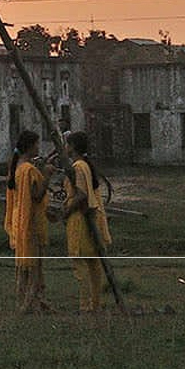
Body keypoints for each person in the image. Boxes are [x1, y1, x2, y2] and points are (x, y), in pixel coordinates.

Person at [4, 130, 54, 314]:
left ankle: (35, 303)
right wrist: (47, 176)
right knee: (34, 266)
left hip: (19, 219)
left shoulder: (17, 166)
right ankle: (28, 305)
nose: (38, 148)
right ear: (30, 146)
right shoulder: (28, 170)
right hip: (30, 222)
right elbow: (36, 196)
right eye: (36, 144)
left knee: (24, 265)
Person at [63, 131, 113, 312]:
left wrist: (66, 211)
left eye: (67, 144)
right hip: (91, 218)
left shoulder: (78, 167)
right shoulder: (86, 165)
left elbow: (82, 195)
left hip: (80, 219)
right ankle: (95, 303)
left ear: (73, 147)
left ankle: (86, 305)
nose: (65, 148)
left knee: (80, 263)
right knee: (93, 264)